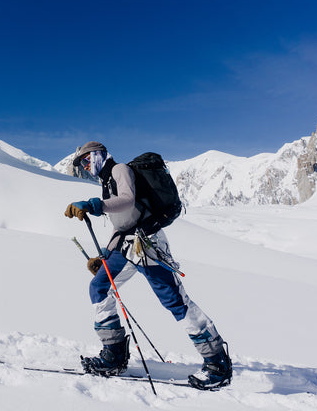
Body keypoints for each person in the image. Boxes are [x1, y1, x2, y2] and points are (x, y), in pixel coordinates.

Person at [65, 141, 232, 390]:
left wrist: (94, 205)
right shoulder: (106, 182)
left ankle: (217, 363)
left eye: (87, 160)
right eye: (82, 164)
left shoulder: (119, 169)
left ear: (98, 154)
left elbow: (127, 201)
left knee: (175, 301)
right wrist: (105, 255)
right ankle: (114, 355)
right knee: (99, 287)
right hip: (126, 246)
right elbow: (121, 224)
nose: (86, 166)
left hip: (147, 245)